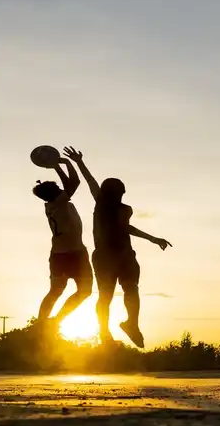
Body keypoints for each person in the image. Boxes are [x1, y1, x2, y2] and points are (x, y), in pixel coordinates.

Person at [63, 146, 170, 348]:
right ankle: (107, 332)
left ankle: (128, 325)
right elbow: (91, 183)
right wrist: (79, 163)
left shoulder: (120, 208)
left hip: (123, 255)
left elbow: (126, 227)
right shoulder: (103, 204)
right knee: (111, 294)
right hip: (109, 256)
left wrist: (152, 239)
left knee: (127, 290)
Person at [32, 155, 92, 330]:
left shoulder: (53, 204)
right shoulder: (58, 202)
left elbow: (67, 186)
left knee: (57, 291)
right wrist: (65, 163)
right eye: (58, 187)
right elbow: (74, 183)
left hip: (60, 254)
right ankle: (49, 322)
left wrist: (55, 167)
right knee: (83, 292)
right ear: (55, 193)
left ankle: (44, 323)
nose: (61, 187)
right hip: (74, 254)